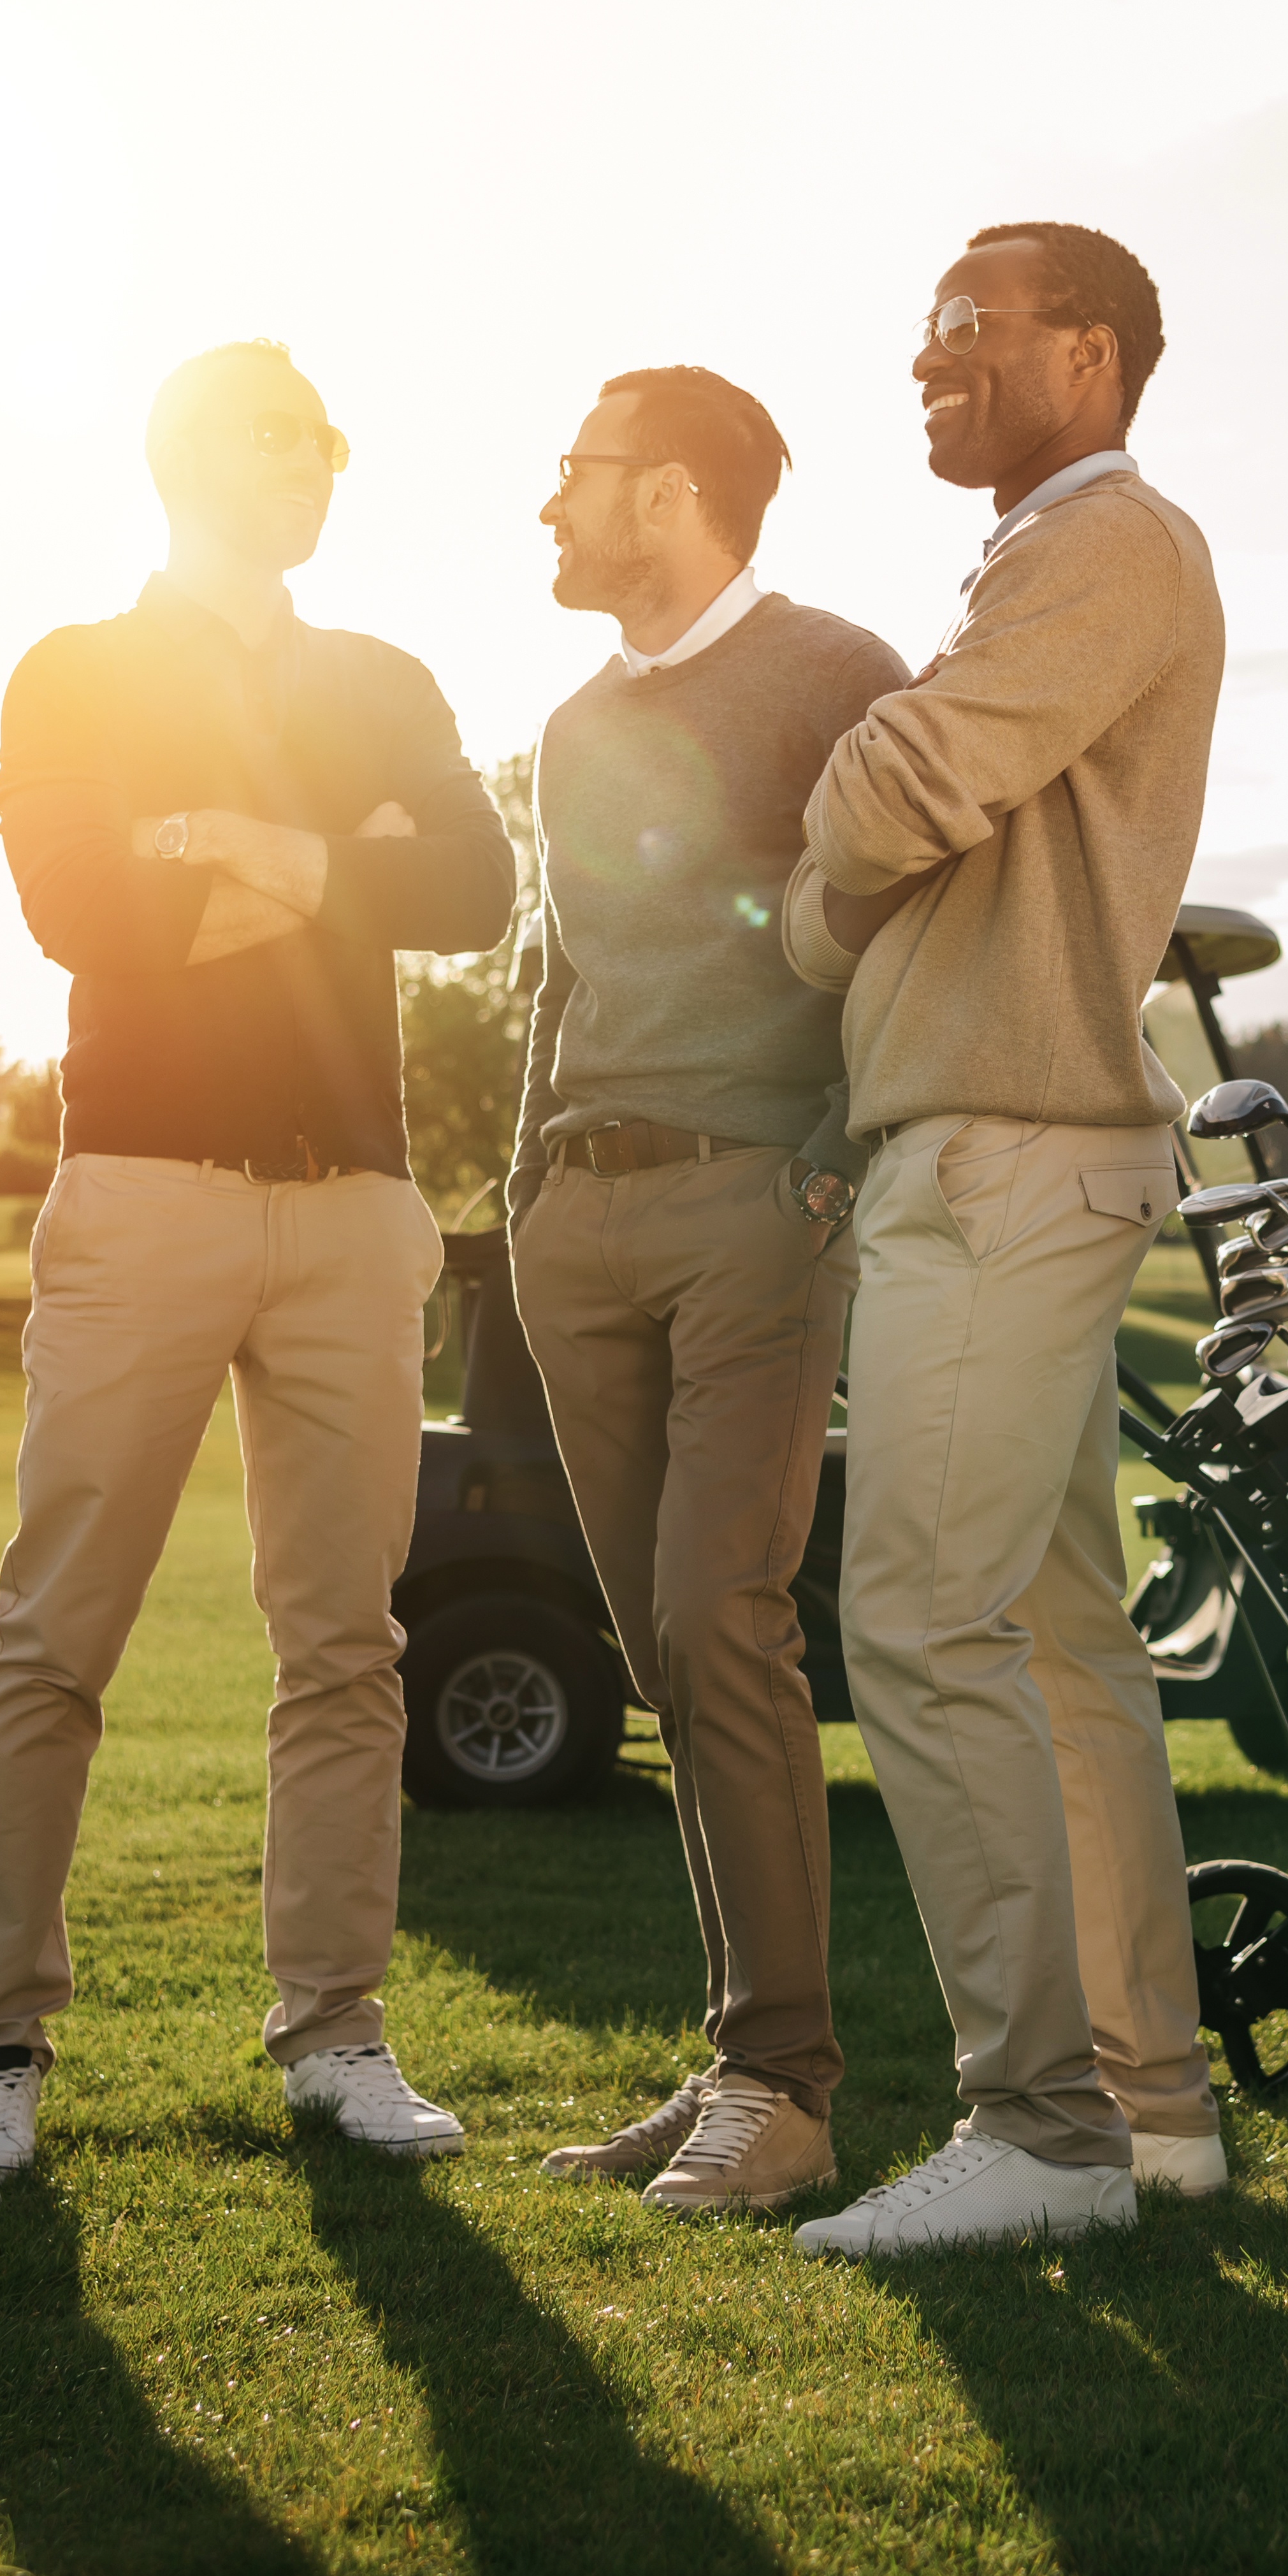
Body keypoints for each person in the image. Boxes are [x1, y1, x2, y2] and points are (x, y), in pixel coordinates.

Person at [0, 340, 516, 2178]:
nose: (320, 466)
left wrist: (243, 845)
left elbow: (478, 891)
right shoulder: (76, 672)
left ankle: (334, 2032)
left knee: (347, 1647)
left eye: (331, 442)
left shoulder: (384, 677)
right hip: (143, 1192)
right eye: (283, 440)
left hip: (351, 1204)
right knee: (57, 1630)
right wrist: (344, 859)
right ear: (187, 456)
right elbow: (81, 912)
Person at [779, 222, 1226, 2260]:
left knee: (918, 1630)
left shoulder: (1103, 540)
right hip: (1011, 1154)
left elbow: (904, 785)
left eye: (968, 327)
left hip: (1004, 1164)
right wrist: (871, 818)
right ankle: (1149, 2115)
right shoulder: (1044, 558)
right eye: (924, 331)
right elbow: (921, 797)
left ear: (1092, 351)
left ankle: (1035, 2128)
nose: (925, 362)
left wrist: (823, 837)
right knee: (1057, 1650)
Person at [503, 366, 910, 2219]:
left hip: (756, 1198)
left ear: (667, 493)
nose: (548, 510)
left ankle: (789, 2088)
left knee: (719, 1614)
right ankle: (734, 2052)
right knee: (662, 1651)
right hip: (575, 1218)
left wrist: (831, 1144)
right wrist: (522, 1177)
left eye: (574, 477)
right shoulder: (576, 725)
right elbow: (561, 974)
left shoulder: (835, 674)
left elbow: (915, 908)